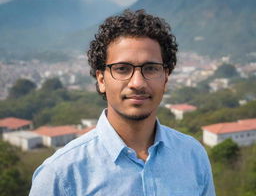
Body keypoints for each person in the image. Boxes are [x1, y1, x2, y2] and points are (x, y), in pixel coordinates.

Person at [29, 10, 216, 196]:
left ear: (165, 78)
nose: (137, 83)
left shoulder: (192, 156)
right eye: (122, 69)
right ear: (101, 80)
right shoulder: (61, 175)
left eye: (150, 68)